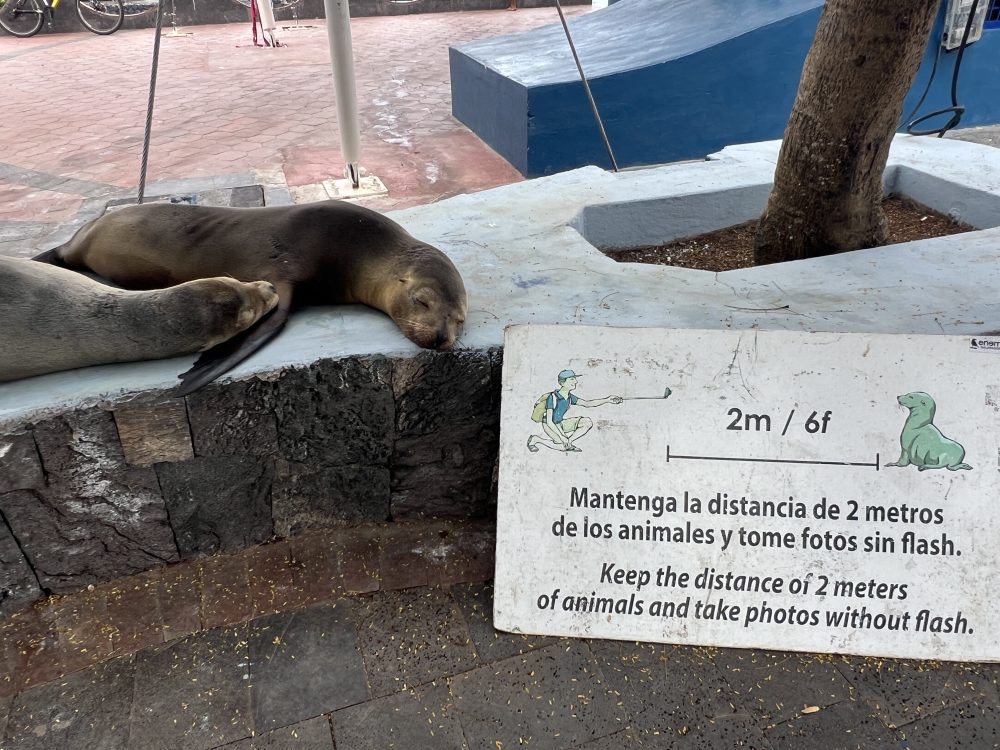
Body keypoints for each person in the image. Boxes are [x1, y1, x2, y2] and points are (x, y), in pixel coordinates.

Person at [527, 369, 622, 453]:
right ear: (562, 383)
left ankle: (568, 442)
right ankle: (536, 439)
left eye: (575, 379)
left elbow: (587, 403)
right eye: (572, 379)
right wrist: (562, 437)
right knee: (562, 447)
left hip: (560, 423)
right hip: (550, 425)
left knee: (587, 422)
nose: (576, 381)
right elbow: (549, 421)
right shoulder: (552, 398)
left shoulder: (569, 397)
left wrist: (608, 399)